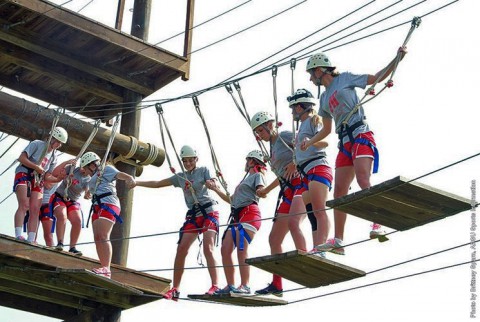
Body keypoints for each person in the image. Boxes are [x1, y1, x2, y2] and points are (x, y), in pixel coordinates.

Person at [302, 48, 407, 255]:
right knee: (339, 191)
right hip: (344, 141)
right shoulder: (323, 100)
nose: (311, 78)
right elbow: (327, 129)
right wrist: (309, 142)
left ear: (320, 70)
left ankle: (378, 224)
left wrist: (397, 59)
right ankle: (339, 241)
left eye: (311, 73)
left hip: (359, 133)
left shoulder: (345, 79)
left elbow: (375, 78)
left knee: (362, 179)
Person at [134, 145, 221, 300]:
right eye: (185, 161)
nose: (187, 163)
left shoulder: (203, 170)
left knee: (208, 247)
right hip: (194, 215)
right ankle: (175, 288)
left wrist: (212, 184)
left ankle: (215, 285)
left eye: (190, 160)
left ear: (196, 159)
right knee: (181, 249)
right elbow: (158, 183)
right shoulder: (180, 177)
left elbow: (211, 180)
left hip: (209, 212)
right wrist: (137, 183)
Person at [249, 111, 308, 297]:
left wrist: (295, 162)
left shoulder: (284, 136)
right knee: (274, 239)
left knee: (294, 223)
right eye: (257, 132)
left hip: (301, 185)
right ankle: (277, 284)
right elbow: (281, 174)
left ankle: (306, 260)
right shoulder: (271, 150)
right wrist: (265, 190)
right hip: (287, 190)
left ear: (270, 125)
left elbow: (309, 146)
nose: (260, 134)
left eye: (261, 130)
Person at [211, 150, 267, 295]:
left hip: (249, 213)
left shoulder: (257, 175)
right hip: (237, 216)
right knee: (225, 249)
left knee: (242, 247)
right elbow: (232, 200)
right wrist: (215, 189)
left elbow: (261, 190)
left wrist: (262, 192)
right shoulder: (245, 180)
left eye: (247, 160)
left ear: (251, 161)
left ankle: (245, 285)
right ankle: (231, 285)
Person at [289, 89, 333, 257]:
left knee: (319, 210)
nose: (292, 111)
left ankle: (321, 249)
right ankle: (317, 248)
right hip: (305, 171)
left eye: (294, 107)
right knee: (312, 214)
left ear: (300, 107)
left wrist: (310, 142)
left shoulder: (315, 120)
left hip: (317, 166)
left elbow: (325, 143)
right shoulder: (300, 128)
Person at [13, 127, 68, 243]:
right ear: (51, 138)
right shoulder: (37, 144)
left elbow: (47, 175)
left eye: (60, 143)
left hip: (38, 179)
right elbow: (22, 158)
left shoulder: (53, 156)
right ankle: (18, 235)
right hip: (25, 173)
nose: (58, 144)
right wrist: (36, 167)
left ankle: (31, 239)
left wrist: (58, 179)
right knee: (24, 204)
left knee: (35, 209)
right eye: (57, 141)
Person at [88, 152, 136, 279]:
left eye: (87, 169)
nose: (86, 173)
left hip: (108, 204)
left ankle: (106, 268)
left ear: (91, 165)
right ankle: (103, 266)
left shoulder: (106, 169)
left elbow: (119, 174)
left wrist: (129, 178)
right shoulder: (94, 176)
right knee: (97, 237)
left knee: (103, 235)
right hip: (98, 206)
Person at [50, 152, 99, 255]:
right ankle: (60, 243)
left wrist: (87, 194)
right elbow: (55, 173)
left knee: (77, 221)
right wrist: (66, 165)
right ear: (86, 164)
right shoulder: (72, 169)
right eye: (93, 167)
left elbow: (87, 189)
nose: (94, 170)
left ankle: (73, 247)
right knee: (62, 216)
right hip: (60, 197)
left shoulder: (89, 180)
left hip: (72, 201)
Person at [38, 182, 59, 247]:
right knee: (32, 235)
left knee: (48, 235)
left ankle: (53, 253)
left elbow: (48, 184)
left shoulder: (57, 174)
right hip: (35, 203)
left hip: (48, 205)